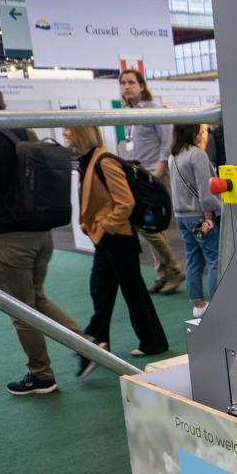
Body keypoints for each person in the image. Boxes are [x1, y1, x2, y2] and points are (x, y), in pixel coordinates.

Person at [0, 80, 86, 396]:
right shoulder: (26, 133)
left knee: (21, 311)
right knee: (36, 298)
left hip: (10, 240)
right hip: (42, 234)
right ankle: (86, 345)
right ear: (4, 106)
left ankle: (41, 375)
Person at [68, 125, 168, 364]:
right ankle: (98, 337)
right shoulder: (89, 162)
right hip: (106, 237)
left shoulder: (104, 162)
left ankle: (152, 342)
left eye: (67, 129)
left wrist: (105, 227)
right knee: (100, 287)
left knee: (132, 289)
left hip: (117, 236)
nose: (64, 133)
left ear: (81, 132)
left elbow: (125, 202)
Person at [119, 68, 184, 295]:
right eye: (123, 83)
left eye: (130, 82)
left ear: (141, 86)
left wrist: (157, 173)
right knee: (147, 226)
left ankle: (174, 270)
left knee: (150, 226)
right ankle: (164, 274)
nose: (126, 87)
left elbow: (167, 143)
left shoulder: (154, 110)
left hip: (154, 177)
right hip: (138, 175)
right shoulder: (128, 113)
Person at [169, 123, 222, 319]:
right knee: (215, 258)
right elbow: (206, 191)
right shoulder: (197, 155)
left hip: (182, 218)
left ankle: (198, 305)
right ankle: (218, 304)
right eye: (198, 128)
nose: (202, 131)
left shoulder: (173, 156)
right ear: (189, 131)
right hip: (199, 217)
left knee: (193, 258)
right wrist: (208, 217)